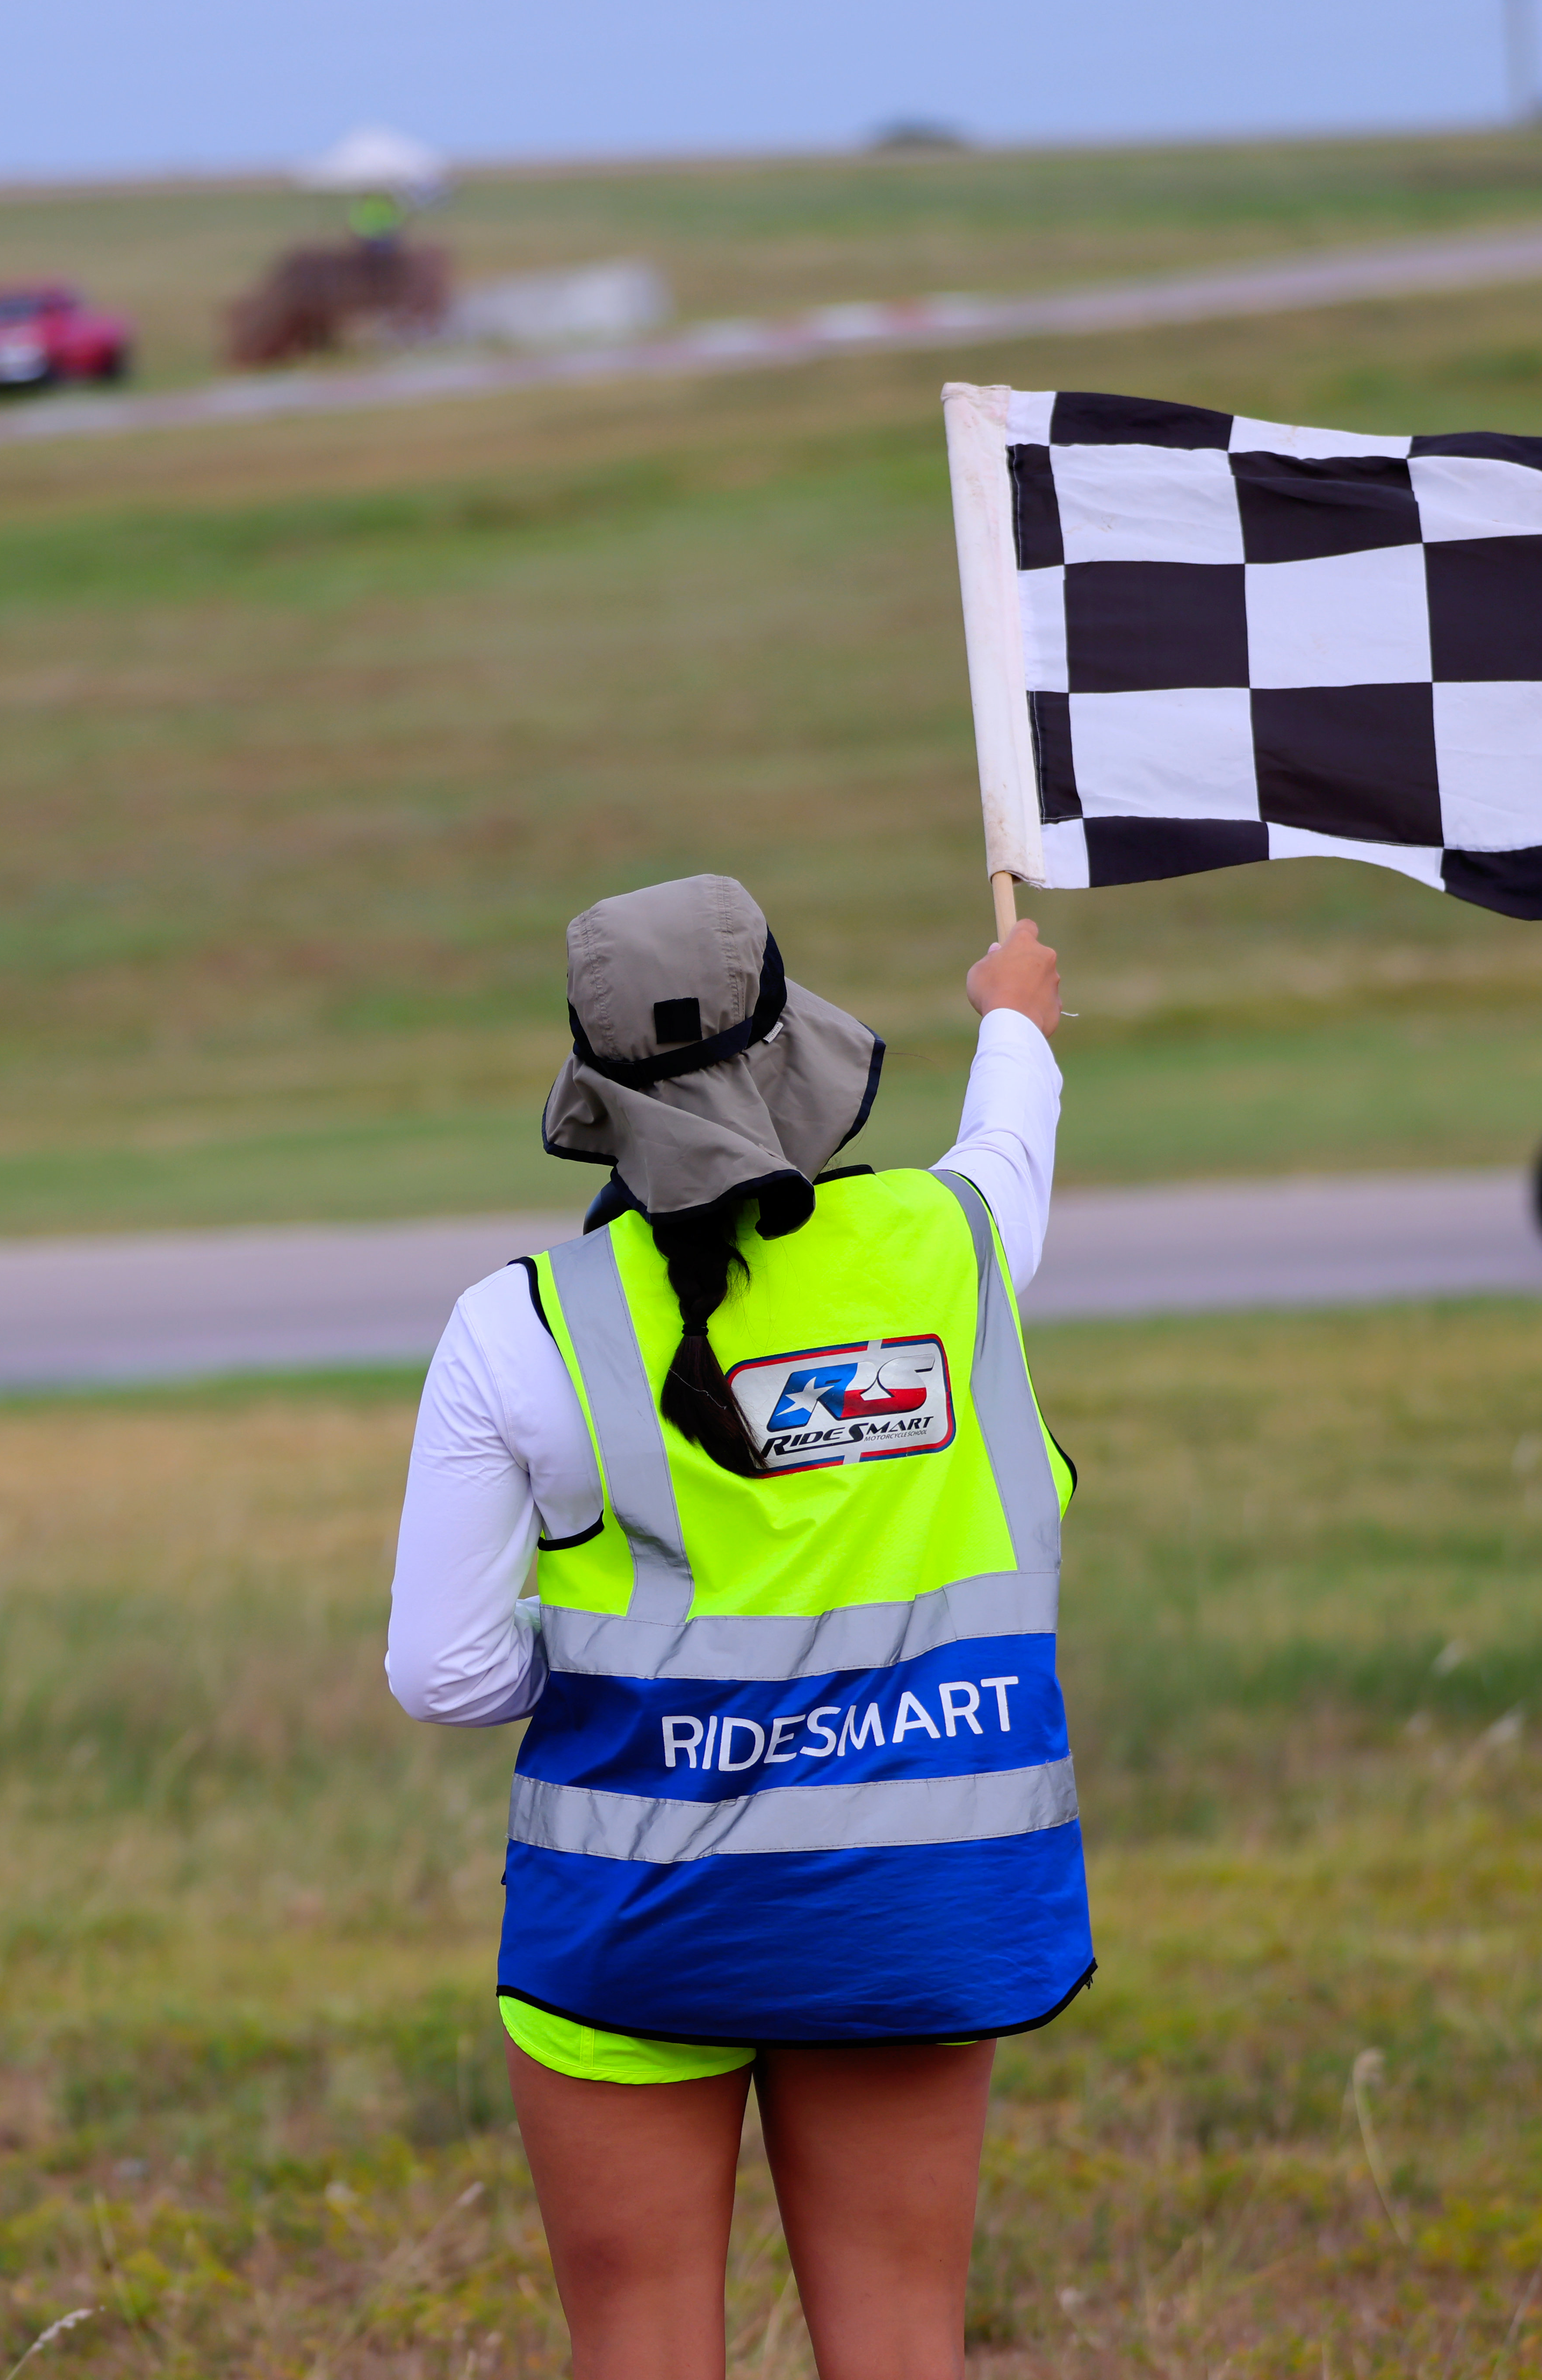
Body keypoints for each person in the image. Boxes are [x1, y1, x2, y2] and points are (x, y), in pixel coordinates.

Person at [388, 874, 1083, 2380]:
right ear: (795, 1054)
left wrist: (608, 1678)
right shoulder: (950, 1247)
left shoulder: (519, 1324)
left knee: (638, 2349)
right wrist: (1012, 1015)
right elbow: (1006, 1147)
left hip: (629, 1921)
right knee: (901, 2346)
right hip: (904, 1907)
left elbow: (442, 1673)